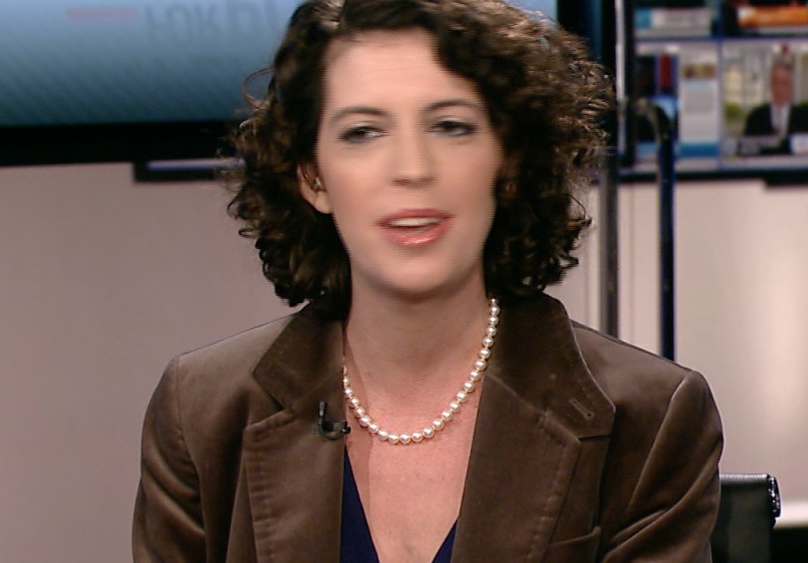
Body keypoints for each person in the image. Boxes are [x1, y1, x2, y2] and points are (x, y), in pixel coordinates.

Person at [133, 1, 723, 561]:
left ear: (508, 162)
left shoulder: (649, 420)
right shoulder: (203, 412)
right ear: (313, 177)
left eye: (449, 126)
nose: (412, 169)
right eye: (363, 132)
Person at [742, 60, 808, 154]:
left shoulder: (804, 118)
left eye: (784, 83)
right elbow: (746, 152)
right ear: (770, 85)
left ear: (791, 86)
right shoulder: (755, 117)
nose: (779, 88)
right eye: (776, 82)